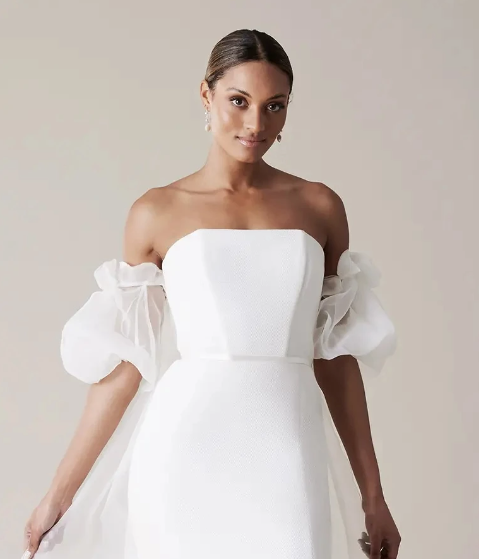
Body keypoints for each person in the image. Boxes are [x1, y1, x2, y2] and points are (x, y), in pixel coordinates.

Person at [22, 28, 401, 559]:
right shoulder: (156, 211)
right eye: (238, 101)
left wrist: (374, 498)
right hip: (184, 450)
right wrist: (58, 496)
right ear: (206, 94)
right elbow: (127, 366)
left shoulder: (319, 207)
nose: (256, 124)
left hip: (286, 448)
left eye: (274, 106)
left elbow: (335, 361)